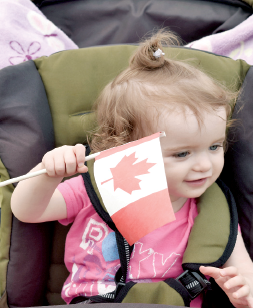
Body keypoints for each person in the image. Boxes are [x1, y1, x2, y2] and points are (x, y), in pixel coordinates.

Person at [11, 30, 253, 307]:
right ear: (129, 148)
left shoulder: (214, 212)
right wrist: (48, 174)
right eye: (182, 153)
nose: (204, 164)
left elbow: (247, 275)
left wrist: (243, 294)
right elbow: (28, 211)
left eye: (214, 147)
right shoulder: (100, 185)